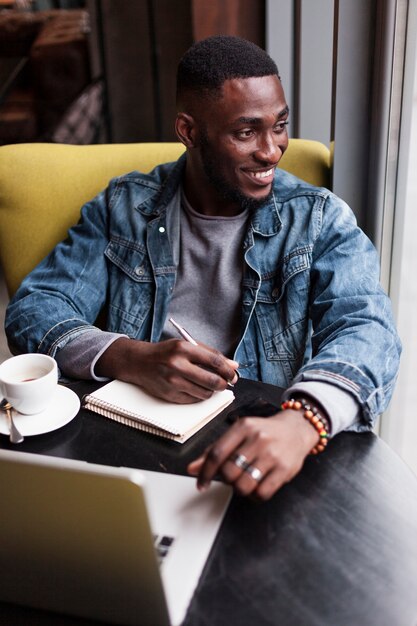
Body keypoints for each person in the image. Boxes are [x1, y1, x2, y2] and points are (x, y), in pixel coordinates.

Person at [5, 35, 401, 500]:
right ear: (189, 131)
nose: (272, 150)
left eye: (280, 126)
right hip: (135, 447)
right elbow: (35, 309)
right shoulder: (124, 207)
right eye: (246, 132)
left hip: (265, 443)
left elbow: (368, 328)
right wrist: (130, 357)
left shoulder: (318, 218)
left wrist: (303, 420)